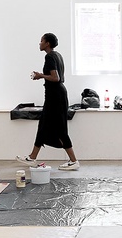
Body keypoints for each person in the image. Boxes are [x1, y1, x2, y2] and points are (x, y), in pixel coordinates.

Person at [16, 33, 79, 171]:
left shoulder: (49, 56)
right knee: (43, 125)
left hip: (56, 97)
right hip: (55, 96)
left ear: (47, 43)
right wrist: (43, 76)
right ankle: (32, 157)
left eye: (41, 41)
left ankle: (74, 161)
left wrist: (40, 76)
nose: (39, 43)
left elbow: (55, 78)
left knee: (60, 129)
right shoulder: (58, 55)